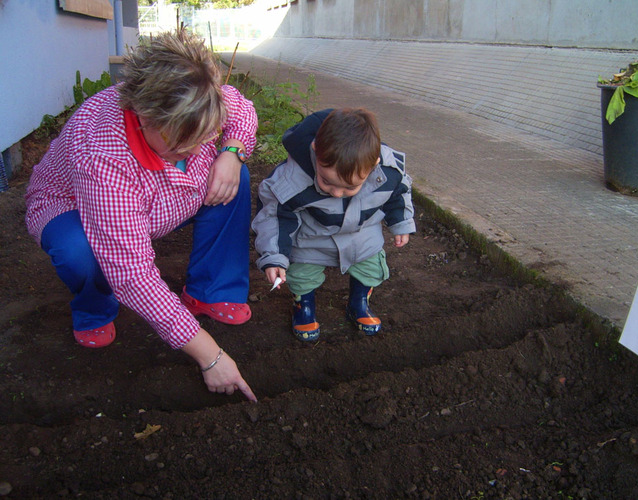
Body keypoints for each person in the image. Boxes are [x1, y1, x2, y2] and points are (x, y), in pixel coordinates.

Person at [24, 30, 257, 401]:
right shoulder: (102, 154)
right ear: (144, 116)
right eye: (183, 142)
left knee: (235, 176)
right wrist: (211, 357)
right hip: (76, 209)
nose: (198, 148)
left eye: (204, 136)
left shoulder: (196, 94)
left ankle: (211, 290)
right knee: (80, 251)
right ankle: (94, 306)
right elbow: (132, 273)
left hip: (163, 199)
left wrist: (230, 150)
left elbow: (240, 109)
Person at [252, 108, 416, 342]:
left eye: (349, 187)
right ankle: (304, 306)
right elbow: (274, 215)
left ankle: (359, 303)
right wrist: (274, 256)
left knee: (371, 268)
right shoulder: (293, 179)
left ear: (373, 165)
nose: (337, 193)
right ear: (316, 151)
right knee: (301, 275)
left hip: (363, 233)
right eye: (326, 182)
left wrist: (401, 222)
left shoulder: (388, 172)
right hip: (312, 238)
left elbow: (400, 193)